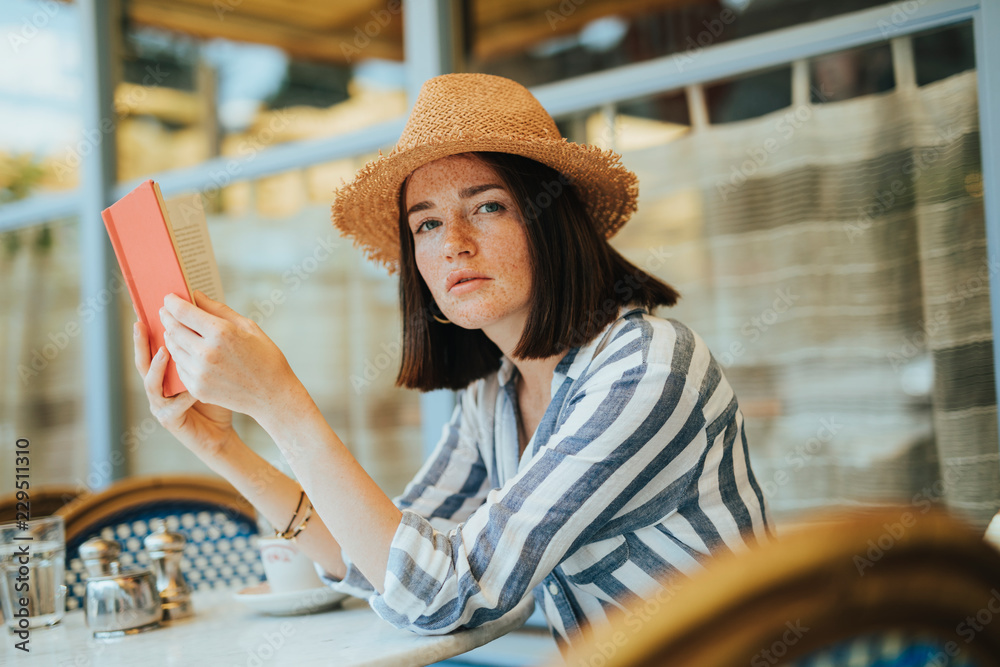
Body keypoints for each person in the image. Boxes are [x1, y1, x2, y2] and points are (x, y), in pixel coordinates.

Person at [134, 72, 773, 654]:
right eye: (427, 224)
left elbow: (442, 594)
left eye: (488, 206)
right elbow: (382, 564)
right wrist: (224, 445)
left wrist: (281, 399)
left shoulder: (646, 366)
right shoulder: (493, 399)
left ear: (552, 220)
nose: (455, 244)